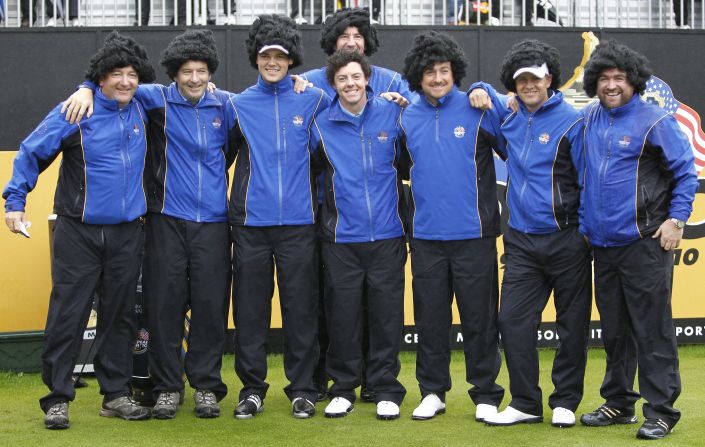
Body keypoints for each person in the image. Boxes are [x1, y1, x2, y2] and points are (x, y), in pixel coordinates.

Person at [61, 29, 238, 420]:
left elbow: (247, 129)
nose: (194, 78)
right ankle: (167, 388)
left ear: (211, 72)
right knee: (163, 308)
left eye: (202, 70)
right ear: (174, 73)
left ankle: (206, 387)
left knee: (210, 307)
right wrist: (86, 87)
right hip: (165, 222)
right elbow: (114, 81)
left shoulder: (228, 106)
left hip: (213, 222)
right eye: (187, 71)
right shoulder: (152, 97)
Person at [3, 31, 155, 429]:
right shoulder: (76, 110)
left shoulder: (143, 103)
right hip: (79, 233)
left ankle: (116, 395)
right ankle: (57, 398)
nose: (125, 81)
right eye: (115, 74)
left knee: (120, 316)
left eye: (131, 74)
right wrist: (14, 202)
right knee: (67, 316)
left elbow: (184, 87)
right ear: (101, 77)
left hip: (127, 232)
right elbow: (32, 151)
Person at [469, 40, 592, 428]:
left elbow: (588, 181)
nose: (528, 85)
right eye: (521, 80)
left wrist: (584, 234)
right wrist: (480, 87)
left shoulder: (573, 120)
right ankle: (525, 402)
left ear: (549, 79)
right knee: (512, 321)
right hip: (521, 241)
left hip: (568, 237)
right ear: (514, 84)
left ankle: (565, 401)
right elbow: (482, 97)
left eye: (535, 78)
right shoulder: (509, 119)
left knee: (571, 324)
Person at [578, 40, 698, 440]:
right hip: (603, 245)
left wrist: (677, 220)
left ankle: (661, 410)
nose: (612, 85)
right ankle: (619, 402)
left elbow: (685, 175)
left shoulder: (655, 119)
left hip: (645, 244)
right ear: (594, 81)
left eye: (620, 79)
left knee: (652, 330)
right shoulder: (590, 118)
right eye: (605, 78)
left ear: (634, 82)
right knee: (615, 332)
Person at [298, 5, 414, 404]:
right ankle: (342, 387)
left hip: (387, 234)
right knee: (342, 317)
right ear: (332, 82)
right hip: (338, 235)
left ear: (368, 77)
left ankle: (383, 387)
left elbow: (415, 145)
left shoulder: (393, 111)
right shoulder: (320, 120)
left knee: (385, 318)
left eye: (356, 77)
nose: (350, 83)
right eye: (342, 78)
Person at [227, 14, 330, 420]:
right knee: (250, 311)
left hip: (301, 226)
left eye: (280, 56)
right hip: (250, 226)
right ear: (256, 58)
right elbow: (222, 156)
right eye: (266, 55)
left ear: (291, 61)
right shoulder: (237, 105)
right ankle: (252, 389)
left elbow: (347, 123)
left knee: (300, 311)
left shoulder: (314, 99)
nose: (272, 61)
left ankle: (303, 389)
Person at [399, 31, 504, 423]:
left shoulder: (478, 106)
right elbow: (398, 165)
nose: (438, 78)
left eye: (444, 71)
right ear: (418, 76)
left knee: (480, 320)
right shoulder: (405, 116)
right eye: (430, 72)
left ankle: (486, 395)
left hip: (474, 236)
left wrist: (484, 89)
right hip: (426, 237)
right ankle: (432, 392)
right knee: (430, 320)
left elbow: (517, 143)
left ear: (454, 72)